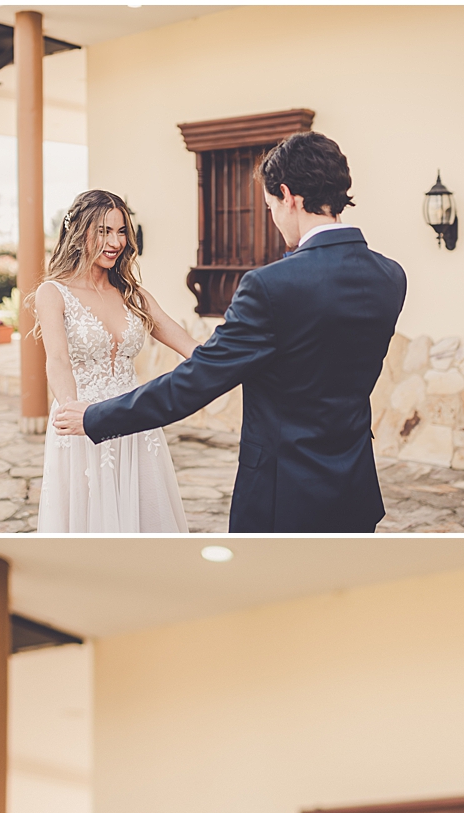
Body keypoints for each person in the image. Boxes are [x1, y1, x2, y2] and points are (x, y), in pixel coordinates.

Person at [52, 130, 406, 533]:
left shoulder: (270, 286)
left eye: (271, 205)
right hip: (354, 487)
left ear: (287, 196)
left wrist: (97, 417)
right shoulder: (390, 276)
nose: (273, 217)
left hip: (282, 496)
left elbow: (196, 381)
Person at [33, 189, 193, 532]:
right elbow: (58, 360)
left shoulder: (133, 294)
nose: (115, 241)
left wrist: (240, 362)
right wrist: (74, 413)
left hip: (135, 421)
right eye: (104, 231)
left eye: (121, 231)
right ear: (79, 231)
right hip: (81, 421)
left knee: (144, 518)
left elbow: (189, 344)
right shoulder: (53, 292)